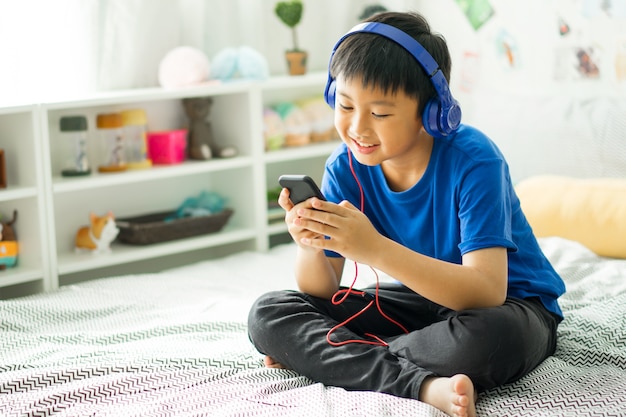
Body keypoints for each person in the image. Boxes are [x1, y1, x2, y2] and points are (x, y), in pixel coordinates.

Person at [248, 11, 565, 417]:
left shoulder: (475, 160)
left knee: (487, 341)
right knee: (269, 313)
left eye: (380, 113)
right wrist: (309, 244)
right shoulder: (344, 167)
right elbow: (323, 291)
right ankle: (422, 384)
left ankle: (336, 357)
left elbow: (487, 291)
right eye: (345, 105)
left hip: (511, 307)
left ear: (431, 112)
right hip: (420, 303)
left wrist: (373, 250)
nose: (358, 128)